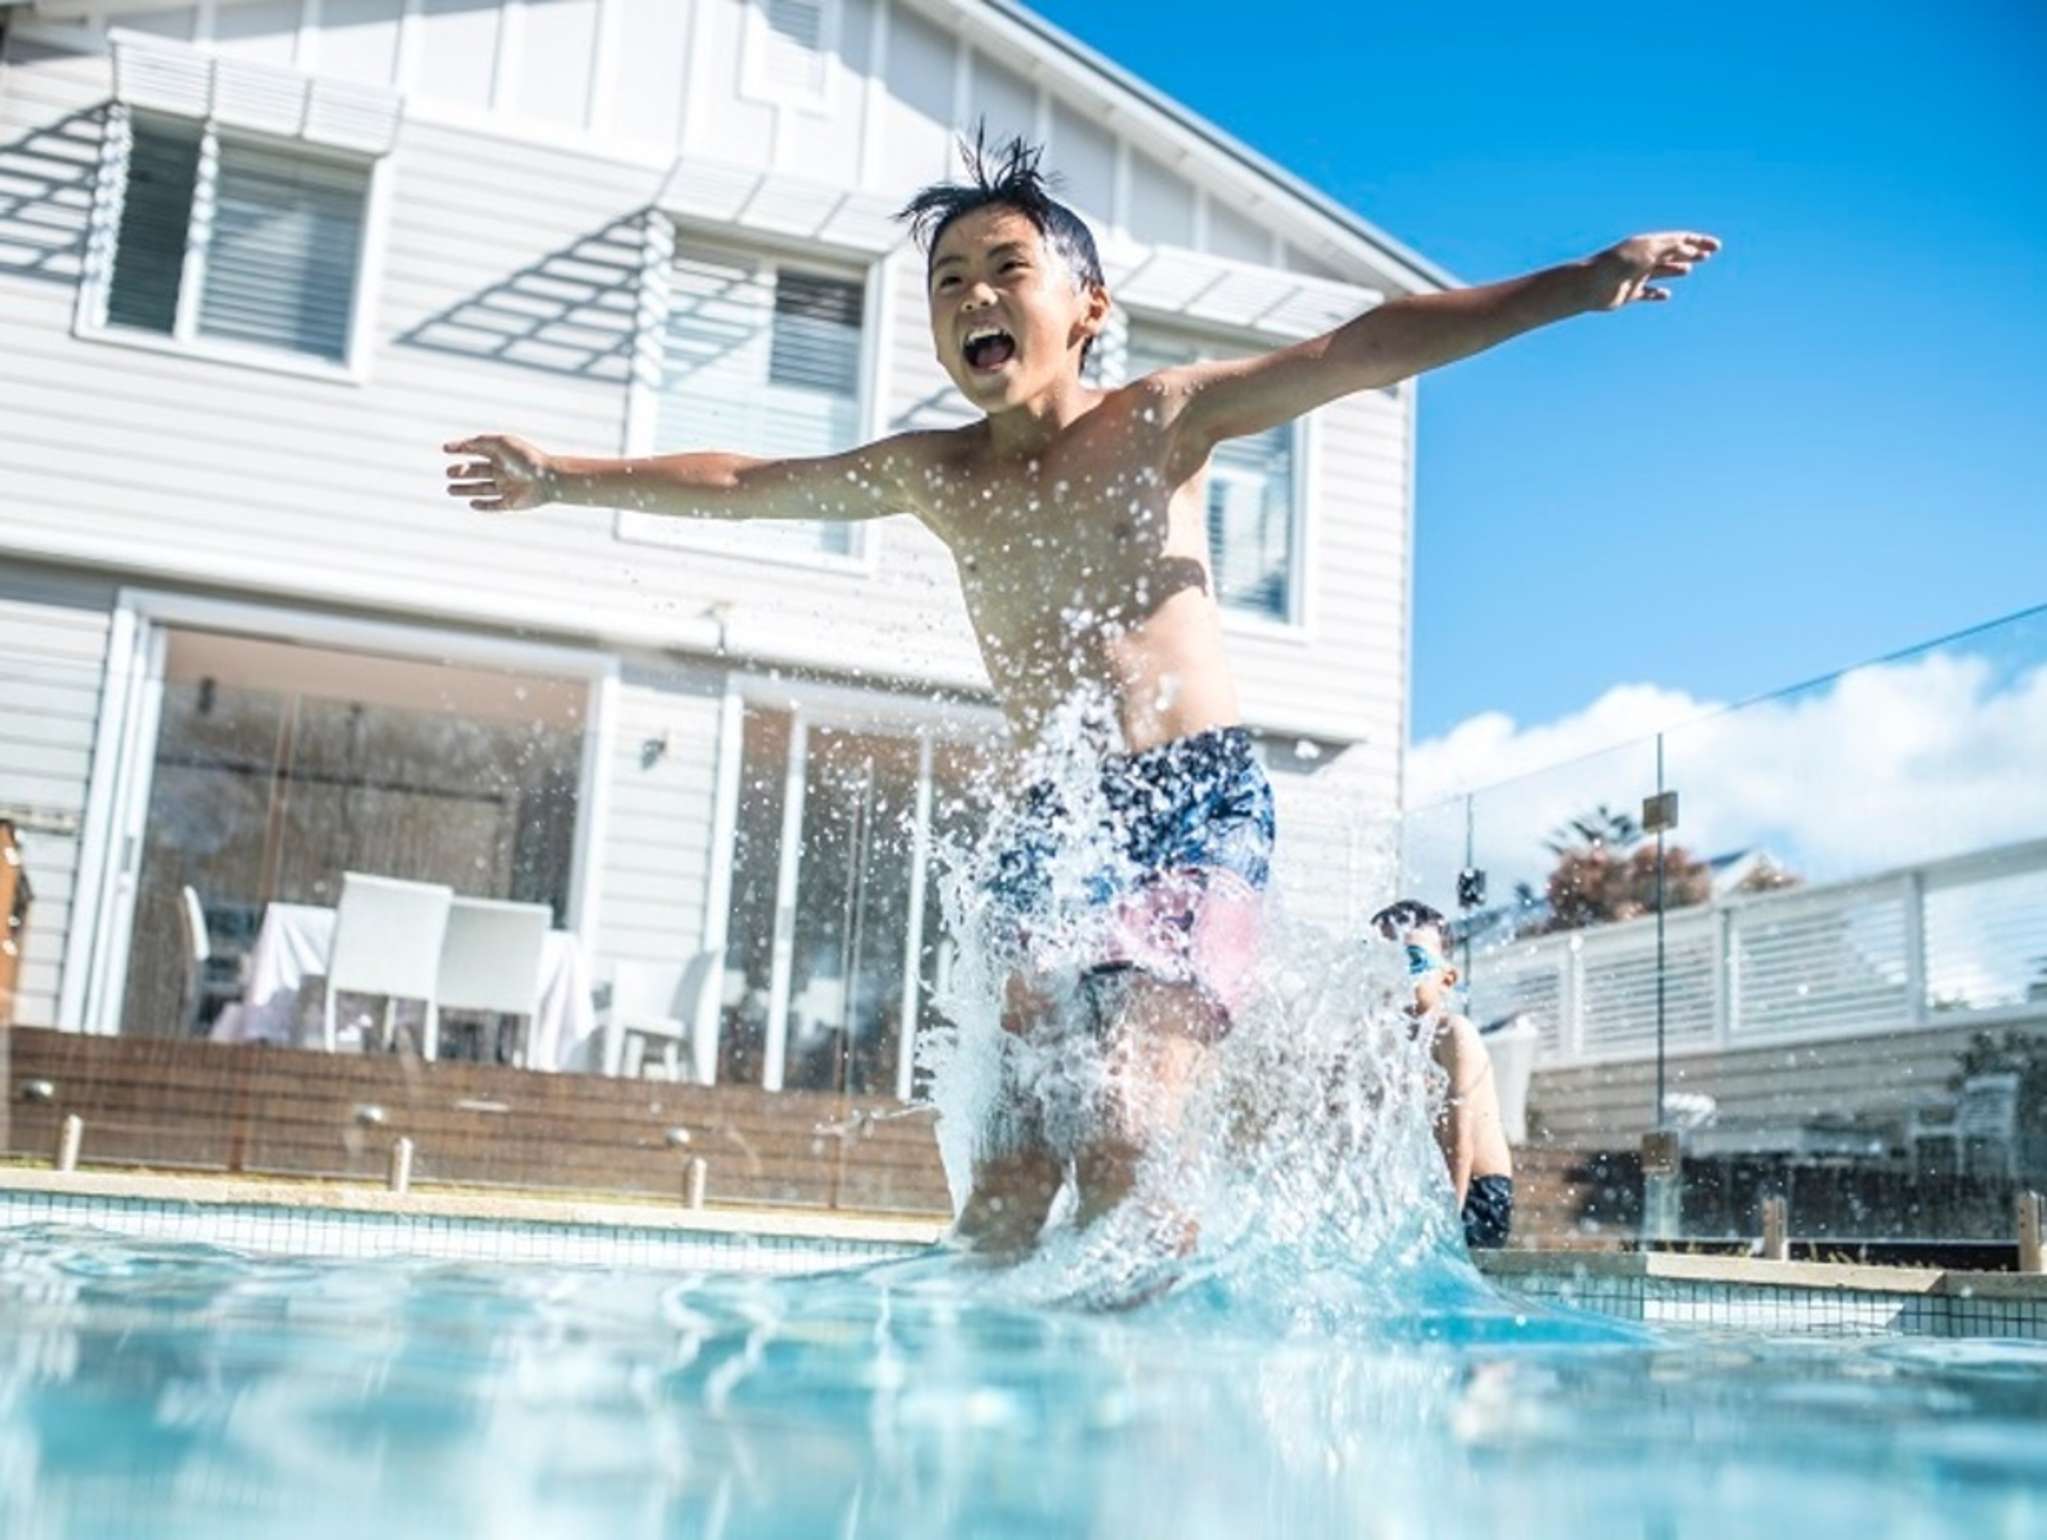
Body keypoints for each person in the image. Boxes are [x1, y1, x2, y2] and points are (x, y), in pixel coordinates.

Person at [442, 131, 1717, 1254]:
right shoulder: (935, 474)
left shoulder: (1158, 422)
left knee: (1127, 1120)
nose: (973, 298)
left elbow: (1359, 348)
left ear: (1087, 305)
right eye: (947, 285)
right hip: (1054, 829)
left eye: (1005, 270)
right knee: (1005, 1183)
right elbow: (747, 482)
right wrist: (566, 477)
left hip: (1190, 808)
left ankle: (1142, 1402)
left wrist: (1572, 286)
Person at [1372, 900, 1514, 1249]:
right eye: (1387, 963)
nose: (1400, 977)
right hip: (1428, 1188)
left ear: (1447, 978)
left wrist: (1448, 1227)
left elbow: (1459, 1141)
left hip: (1479, 1193)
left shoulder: (1454, 1033)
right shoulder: (1384, 1042)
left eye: (1413, 962)